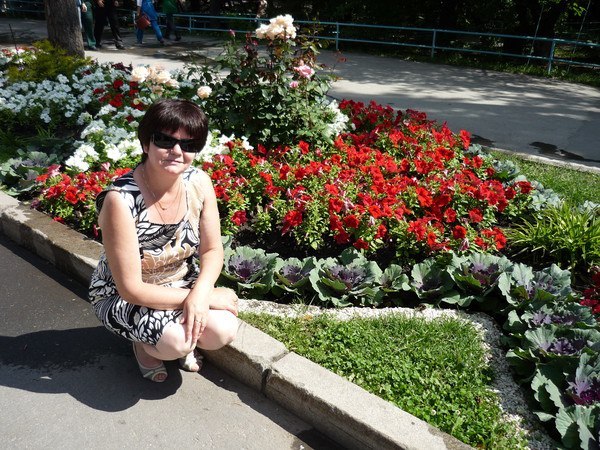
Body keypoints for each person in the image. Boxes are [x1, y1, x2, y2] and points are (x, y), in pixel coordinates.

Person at [88, 99, 239, 383]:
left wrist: (200, 292)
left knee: (223, 330)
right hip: (124, 295)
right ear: (146, 143)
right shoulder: (121, 200)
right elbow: (131, 289)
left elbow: (211, 249)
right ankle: (144, 345)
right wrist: (204, 299)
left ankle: (173, 333)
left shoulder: (199, 182)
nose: (177, 151)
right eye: (165, 140)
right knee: (177, 343)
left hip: (180, 281)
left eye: (190, 144)